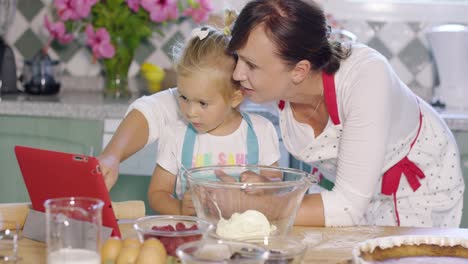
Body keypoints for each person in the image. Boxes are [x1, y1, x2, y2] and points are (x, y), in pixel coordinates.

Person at [99, 0, 464, 227]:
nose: (237, 74)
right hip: (350, 200)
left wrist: (243, 203)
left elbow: (348, 206)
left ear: (299, 71)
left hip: (419, 188)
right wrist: (113, 155)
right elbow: (164, 106)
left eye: (249, 66)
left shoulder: (367, 78)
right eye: (238, 59)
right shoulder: (264, 70)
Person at [146, 23, 280, 215]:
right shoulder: (176, 134)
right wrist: (179, 208)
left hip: (244, 237)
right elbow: (157, 193)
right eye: (183, 97)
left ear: (235, 98)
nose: (190, 112)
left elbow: (276, 183)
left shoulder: (261, 131)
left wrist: (265, 184)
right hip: (193, 238)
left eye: (203, 103)